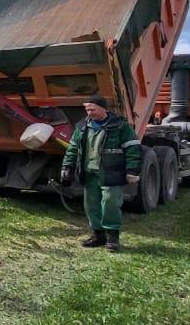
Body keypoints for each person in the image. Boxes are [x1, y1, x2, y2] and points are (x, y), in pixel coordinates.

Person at [59, 96, 142, 252]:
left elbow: (133, 148)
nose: (89, 113)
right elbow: (73, 148)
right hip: (89, 172)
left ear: (104, 109)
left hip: (111, 172)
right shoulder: (82, 126)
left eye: (93, 109)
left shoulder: (120, 126)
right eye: (87, 110)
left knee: (110, 203)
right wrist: (67, 166)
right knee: (91, 205)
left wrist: (132, 170)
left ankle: (112, 238)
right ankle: (98, 236)